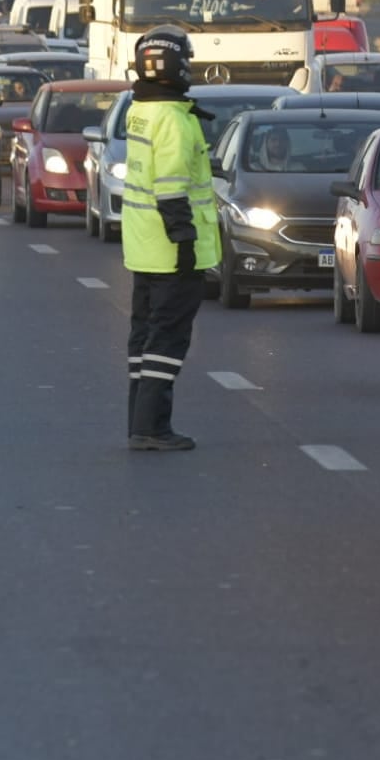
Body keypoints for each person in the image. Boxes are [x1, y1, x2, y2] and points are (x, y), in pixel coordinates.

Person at [121, 25, 220, 452]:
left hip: (143, 246)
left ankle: (138, 421)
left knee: (143, 337)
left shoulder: (140, 109)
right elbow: (173, 189)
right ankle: (152, 428)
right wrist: (184, 240)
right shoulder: (174, 121)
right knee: (167, 338)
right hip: (172, 249)